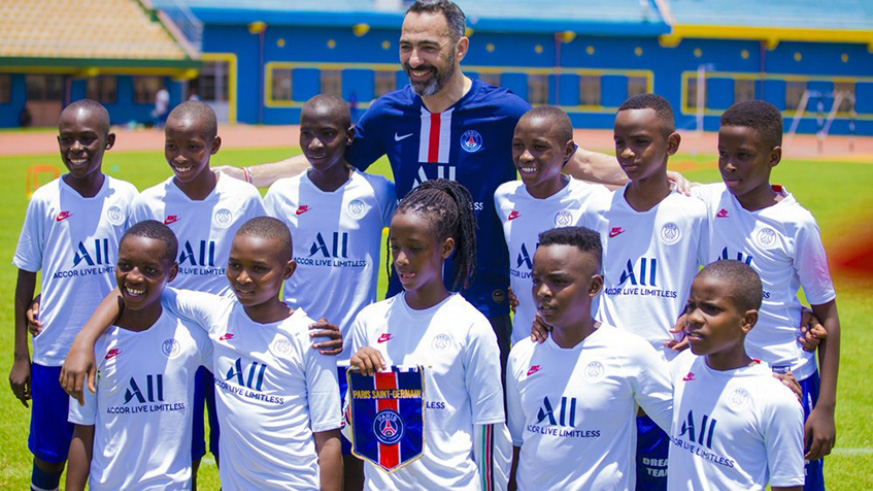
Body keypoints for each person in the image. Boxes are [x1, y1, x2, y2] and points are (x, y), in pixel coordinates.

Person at [218, 0, 634, 374]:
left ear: (460, 48)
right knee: (403, 406)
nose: (414, 59)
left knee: (479, 413)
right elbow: (329, 157)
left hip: (481, 290)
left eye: (428, 48)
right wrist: (251, 176)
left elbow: (574, 161)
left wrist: (651, 175)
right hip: (409, 286)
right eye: (405, 47)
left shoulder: (503, 110)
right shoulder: (389, 112)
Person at [61, 217, 344, 490]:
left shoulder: (312, 338)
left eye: (258, 269)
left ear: (288, 271)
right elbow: (131, 290)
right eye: (234, 265)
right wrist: (85, 340)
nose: (243, 278)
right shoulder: (217, 315)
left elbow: (329, 441)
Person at [691, 100, 840, 490]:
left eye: (743, 156)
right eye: (723, 154)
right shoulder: (708, 202)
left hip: (789, 378)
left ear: (773, 156)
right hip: (725, 373)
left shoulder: (796, 225)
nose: (729, 165)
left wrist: (824, 407)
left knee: (794, 482)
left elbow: (828, 317)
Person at [262, 94, 396, 490]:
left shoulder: (377, 192)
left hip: (357, 353)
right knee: (301, 453)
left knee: (355, 455)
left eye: (327, 134)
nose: (316, 145)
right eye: (307, 134)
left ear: (349, 136)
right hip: (299, 350)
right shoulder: (283, 195)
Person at [130, 100, 268, 485]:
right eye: (171, 145)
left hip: (230, 341)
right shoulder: (149, 202)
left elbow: (261, 269)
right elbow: (133, 274)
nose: (180, 156)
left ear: (215, 145)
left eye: (193, 146)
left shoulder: (243, 199)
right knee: (178, 449)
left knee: (234, 446)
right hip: (169, 344)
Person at [347, 179, 510, 490]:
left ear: (446, 248)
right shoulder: (370, 320)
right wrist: (357, 386)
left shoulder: (471, 327)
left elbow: (489, 431)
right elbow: (355, 430)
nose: (402, 259)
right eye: (395, 246)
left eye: (416, 248)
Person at [10, 99, 138, 491]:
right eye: (67, 140)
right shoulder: (44, 201)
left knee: (109, 449)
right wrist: (20, 356)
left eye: (88, 139)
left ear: (109, 141)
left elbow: (140, 274)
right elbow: (25, 283)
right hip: (54, 350)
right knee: (50, 455)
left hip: (114, 349)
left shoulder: (127, 198)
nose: (77, 148)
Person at [506, 226, 673, 490]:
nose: (543, 291)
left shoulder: (630, 354)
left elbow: (683, 432)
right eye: (536, 279)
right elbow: (518, 442)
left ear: (594, 286)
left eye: (558, 281)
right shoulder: (522, 354)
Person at [65, 221, 212, 491]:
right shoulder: (95, 348)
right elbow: (83, 433)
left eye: (150, 270)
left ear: (173, 272)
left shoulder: (191, 338)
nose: (134, 277)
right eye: (125, 265)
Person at [668, 260, 804, 491]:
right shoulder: (681, 367)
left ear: (747, 321)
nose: (694, 318)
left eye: (711, 309)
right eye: (691, 306)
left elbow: (788, 486)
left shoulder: (776, 400)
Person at [494, 106, 609, 345]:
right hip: (523, 341)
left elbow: (611, 276)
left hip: (577, 343)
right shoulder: (505, 197)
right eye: (518, 146)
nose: (525, 156)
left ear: (567, 151)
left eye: (539, 147)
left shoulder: (593, 202)